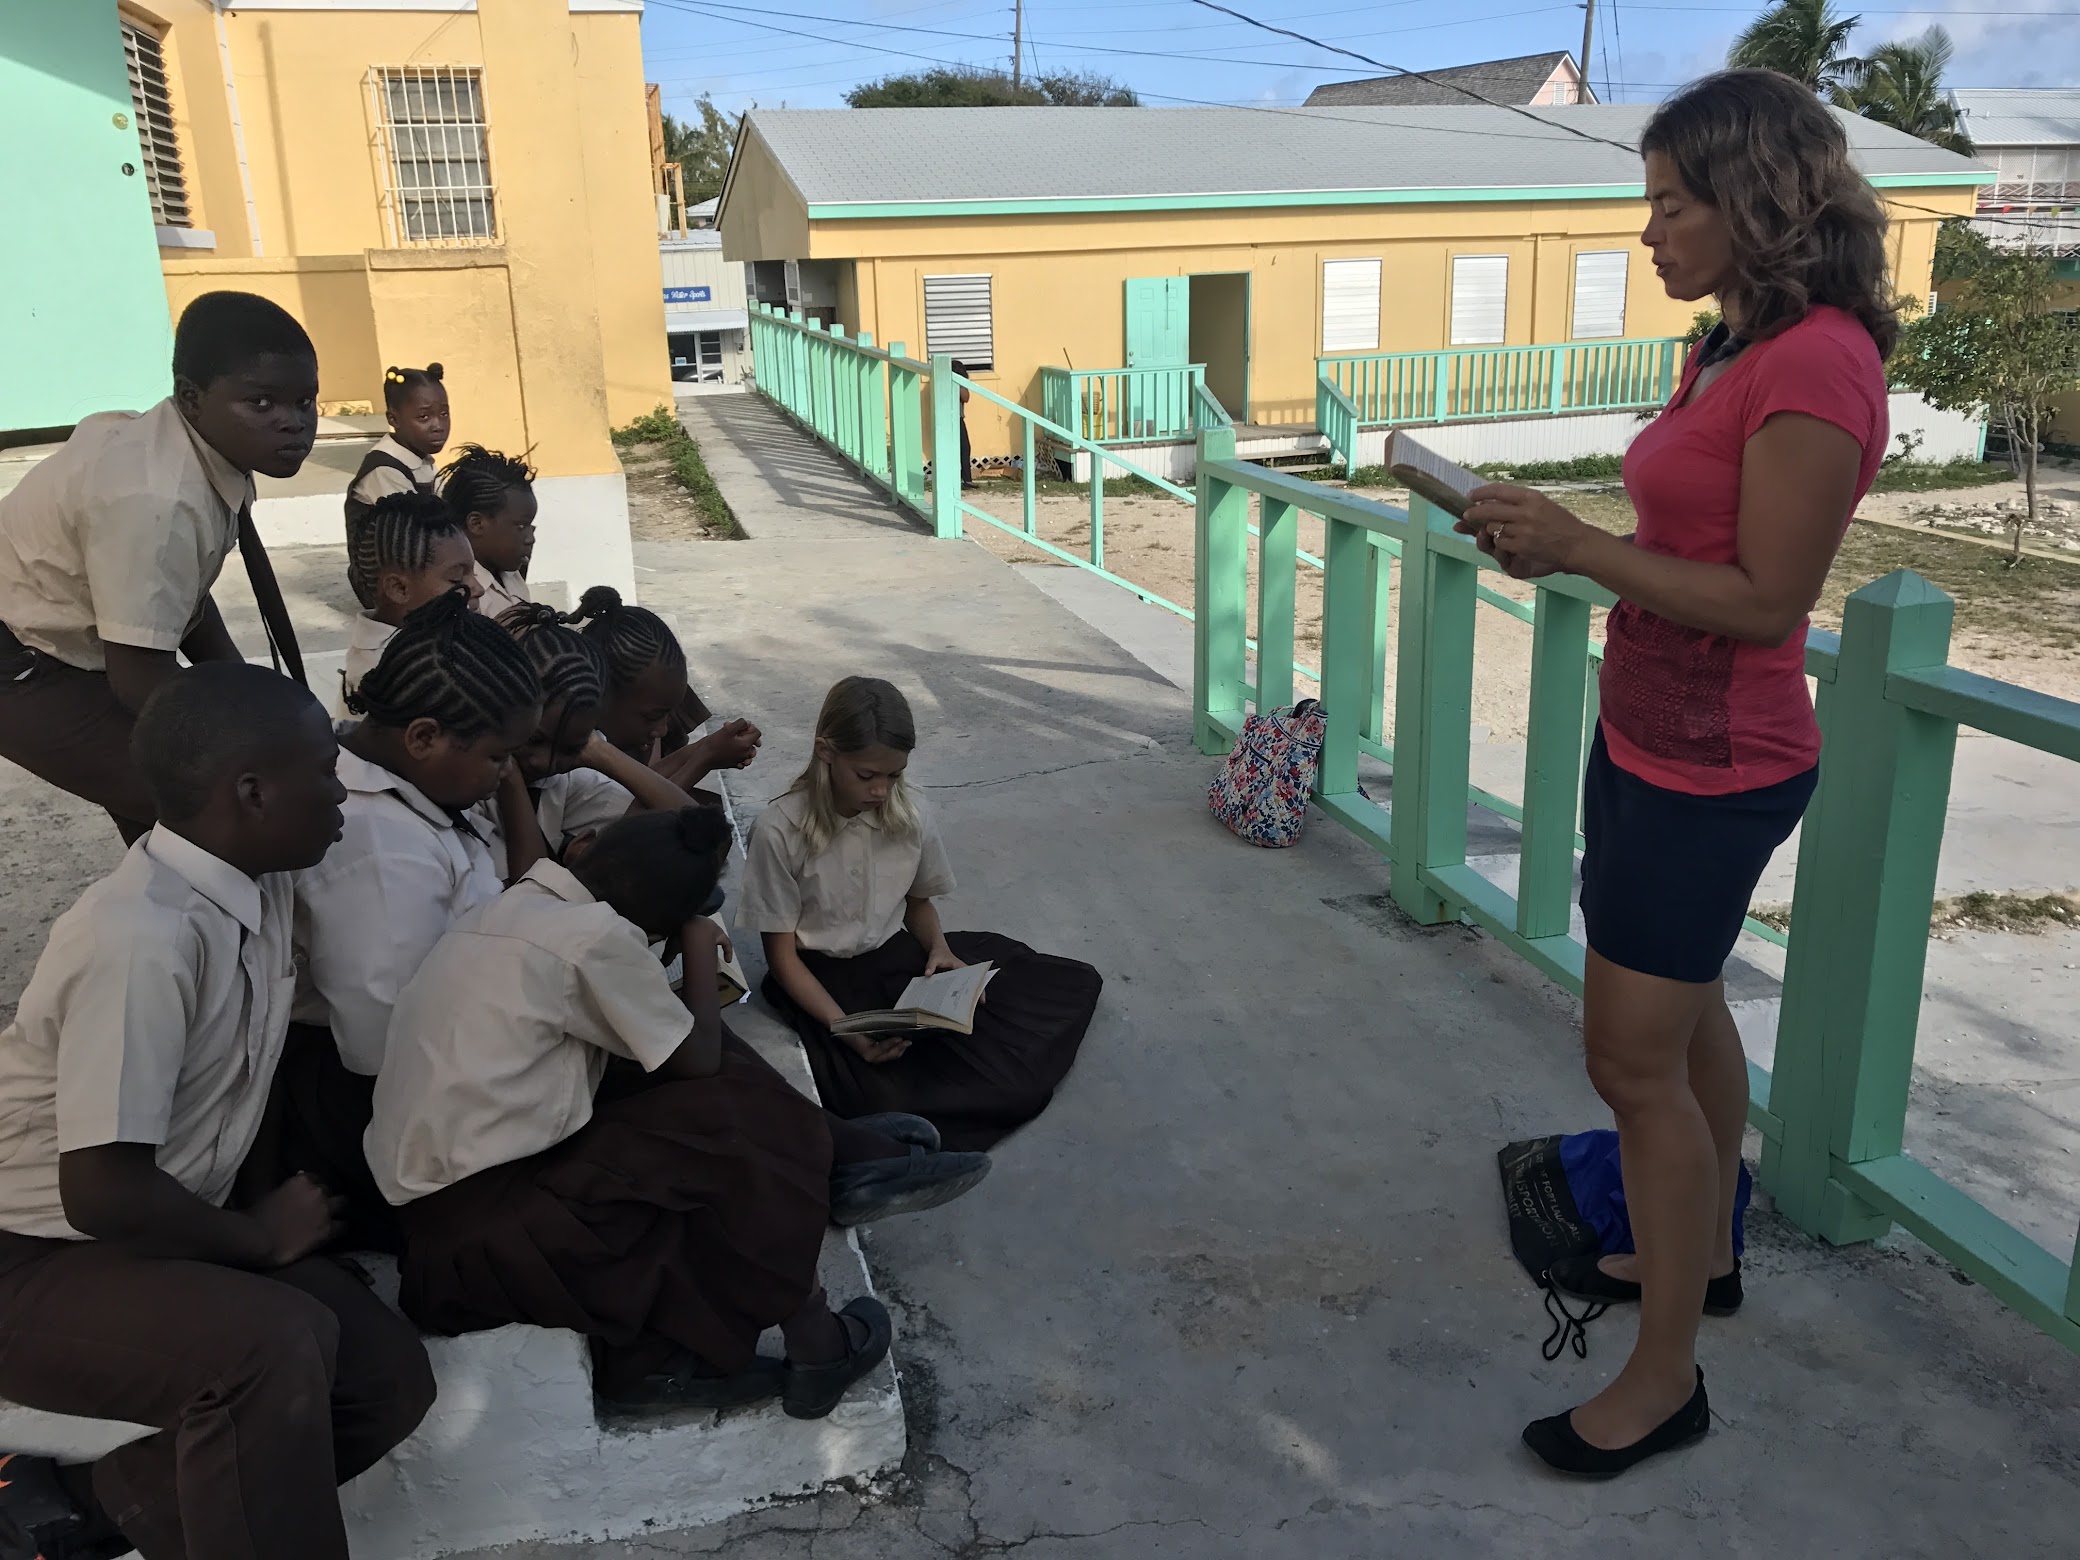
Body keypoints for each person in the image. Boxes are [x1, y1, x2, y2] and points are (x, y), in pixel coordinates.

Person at [1457, 71, 1896, 1477]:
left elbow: (1768, 602)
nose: (1647, 231)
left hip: (1714, 771)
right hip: (1644, 739)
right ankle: (1698, 1255)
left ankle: (1664, 1380)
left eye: (1668, 204)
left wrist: (1581, 547)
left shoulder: (1815, 362)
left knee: (1629, 1064)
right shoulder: (1728, 346)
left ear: (1755, 202)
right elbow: (1689, 547)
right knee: (1689, 1014)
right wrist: (1564, 542)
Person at [0, 662, 433, 1560]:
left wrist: (257, 1222)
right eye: (325, 772)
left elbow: (242, 1080)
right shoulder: (142, 938)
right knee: (269, 1349)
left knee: (384, 1377)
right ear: (252, 792)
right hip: (33, 1249)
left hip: (154, 1227)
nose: (342, 794)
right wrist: (257, 1241)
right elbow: (100, 1192)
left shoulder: (259, 880)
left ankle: (68, 1509)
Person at [369, 809, 900, 1417]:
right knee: (731, 1125)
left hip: (438, 1228)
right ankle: (817, 1340)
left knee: (701, 1116)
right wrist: (696, 948)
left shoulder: (514, 906)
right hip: (489, 1245)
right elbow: (698, 1059)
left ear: (587, 849)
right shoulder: (594, 938)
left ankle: (663, 1357)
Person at [0, 290, 316, 841]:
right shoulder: (158, 498)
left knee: (166, 809)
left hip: (73, 644)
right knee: (213, 805)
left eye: (305, 401)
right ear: (191, 398)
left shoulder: (203, 449)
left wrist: (249, 695)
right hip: (23, 661)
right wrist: (258, 737)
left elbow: (180, 597)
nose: (293, 423)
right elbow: (138, 672)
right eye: (262, 402)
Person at [284, 591, 546, 1248]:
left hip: (432, 1042)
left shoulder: (403, 778)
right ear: (424, 736)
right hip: (375, 1099)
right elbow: (387, 1050)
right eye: (498, 756)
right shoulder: (378, 852)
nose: (506, 773)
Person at [744, 676, 1103, 1151]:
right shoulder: (778, 831)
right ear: (825, 752)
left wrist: (939, 949)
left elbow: (918, 904)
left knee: (1051, 1004)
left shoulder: (909, 813)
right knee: (880, 1099)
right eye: (867, 775)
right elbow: (782, 959)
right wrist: (849, 1034)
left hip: (897, 960)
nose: (880, 790)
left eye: (894, 775)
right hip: (821, 983)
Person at [565, 584, 760, 783]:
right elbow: (642, 799)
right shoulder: (571, 760)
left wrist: (708, 747)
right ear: (599, 697)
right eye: (653, 717)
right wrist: (705, 757)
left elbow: (649, 776)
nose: (663, 730)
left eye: (667, 714)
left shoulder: (644, 709)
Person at [340, 490, 483, 705]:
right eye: (456, 579)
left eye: (474, 574)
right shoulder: (391, 676)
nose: (478, 589)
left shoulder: (433, 639)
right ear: (399, 588)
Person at [343, 363, 449, 606]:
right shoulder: (385, 469)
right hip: (384, 582)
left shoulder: (422, 460)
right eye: (424, 417)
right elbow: (416, 534)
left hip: (418, 565)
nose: (438, 425)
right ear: (393, 419)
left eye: (444, 414)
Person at [439, 444, 536, 618]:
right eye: (521, 526)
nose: (530, 539)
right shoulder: (457, 592)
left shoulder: (511, 575)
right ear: (477, 524)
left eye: (531, 526)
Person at [951, 359, 976, 490]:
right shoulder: (956, 383)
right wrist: (962, 383)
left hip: (946, 419)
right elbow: (966, 397)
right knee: (964, 448)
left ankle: (959, 478)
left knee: (956, 449)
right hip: (956, 418)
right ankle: (966, 479)